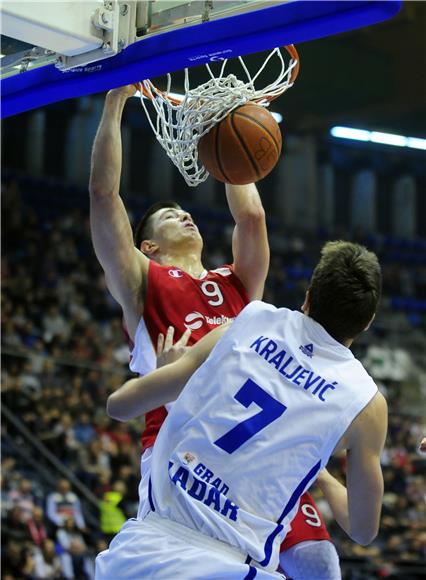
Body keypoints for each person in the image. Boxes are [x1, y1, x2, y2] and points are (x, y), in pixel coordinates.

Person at [89, 84, 339, 577]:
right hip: (182, 451)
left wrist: (222, 120)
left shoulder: (237, 283)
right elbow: (103, 195)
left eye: (184, 210)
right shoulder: (144, 282)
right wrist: (115, 102)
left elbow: (251, 214)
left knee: (318, 561)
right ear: (148, 247)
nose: (184, 213)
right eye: (168, 216)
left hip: (255, 448)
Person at [97, 240, 388, 579]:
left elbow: (119, 407)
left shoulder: (252, 319)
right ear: (367, 322)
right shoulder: (367, 403)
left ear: (308, 297)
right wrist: (321, 473)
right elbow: (363, 529)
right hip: (228, 563)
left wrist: (162, 372)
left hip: (138, 553)